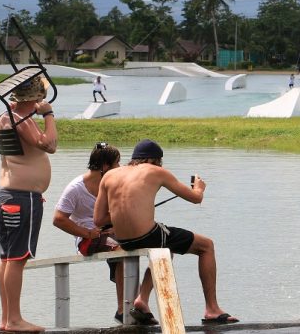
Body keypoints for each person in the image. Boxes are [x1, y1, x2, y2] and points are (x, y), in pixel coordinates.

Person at [95, 139, 239, 325]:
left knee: (168, 247)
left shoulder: (109, 175)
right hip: (146, 235)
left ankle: (143, 300)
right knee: (206, 246)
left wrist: (128, 211)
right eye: (160, 162)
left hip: (124, 240)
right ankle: (212, 309)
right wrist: (199, 188)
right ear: (153, 160)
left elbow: (98, 220)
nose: (161, 166)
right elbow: (195, 199)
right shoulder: (156, 171)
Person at [53, 143, 155, 325]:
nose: (120, 167)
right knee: (121, 249)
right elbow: (59, 219)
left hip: (111, 233)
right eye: (117, 163)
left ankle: (139, 301)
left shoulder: (112, 183)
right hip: (87, 239)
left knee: (155, 245)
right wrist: (88, 233)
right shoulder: (76, 188)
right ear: (105, 166)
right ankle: (123, 308)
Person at [0, 75, 58, 333]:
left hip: (8, 197)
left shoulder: (5, 117)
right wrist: (49, 115)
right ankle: (14, 320)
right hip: (23, 199)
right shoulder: (23, 120)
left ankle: (7, 318)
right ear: (36, 98)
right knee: (17, 259)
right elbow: (50, 144)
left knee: (7, 259)